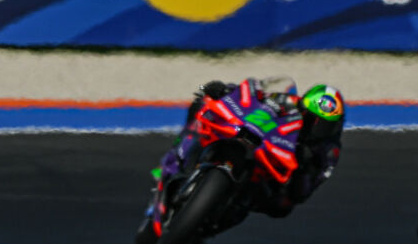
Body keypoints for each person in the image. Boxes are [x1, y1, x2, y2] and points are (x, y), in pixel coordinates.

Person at [145, 79, 345, 232]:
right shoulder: (289, 101)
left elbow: (308, 188)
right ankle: (177, 157)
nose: (317, 129)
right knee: (201, 104)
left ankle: (222, 214)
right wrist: (224, 90)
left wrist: (304, 168)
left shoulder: (329, 151)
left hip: (279, 178)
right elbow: (256, 99)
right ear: (303, 108)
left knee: (280, 207)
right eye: (313, 120)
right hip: (258, 141)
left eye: (325, 125)